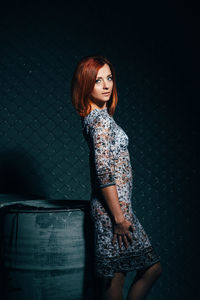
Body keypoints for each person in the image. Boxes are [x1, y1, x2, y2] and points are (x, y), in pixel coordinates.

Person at [71, 55, 162, 300]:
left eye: (109, 78)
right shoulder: (99, 122)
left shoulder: (99, 118)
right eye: (97, 80)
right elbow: (103, 172)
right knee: (130, 274)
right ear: (85, 85)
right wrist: (119, 218)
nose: (106, 85)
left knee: (118, 276)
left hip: (118, 209)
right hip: (113, 213)